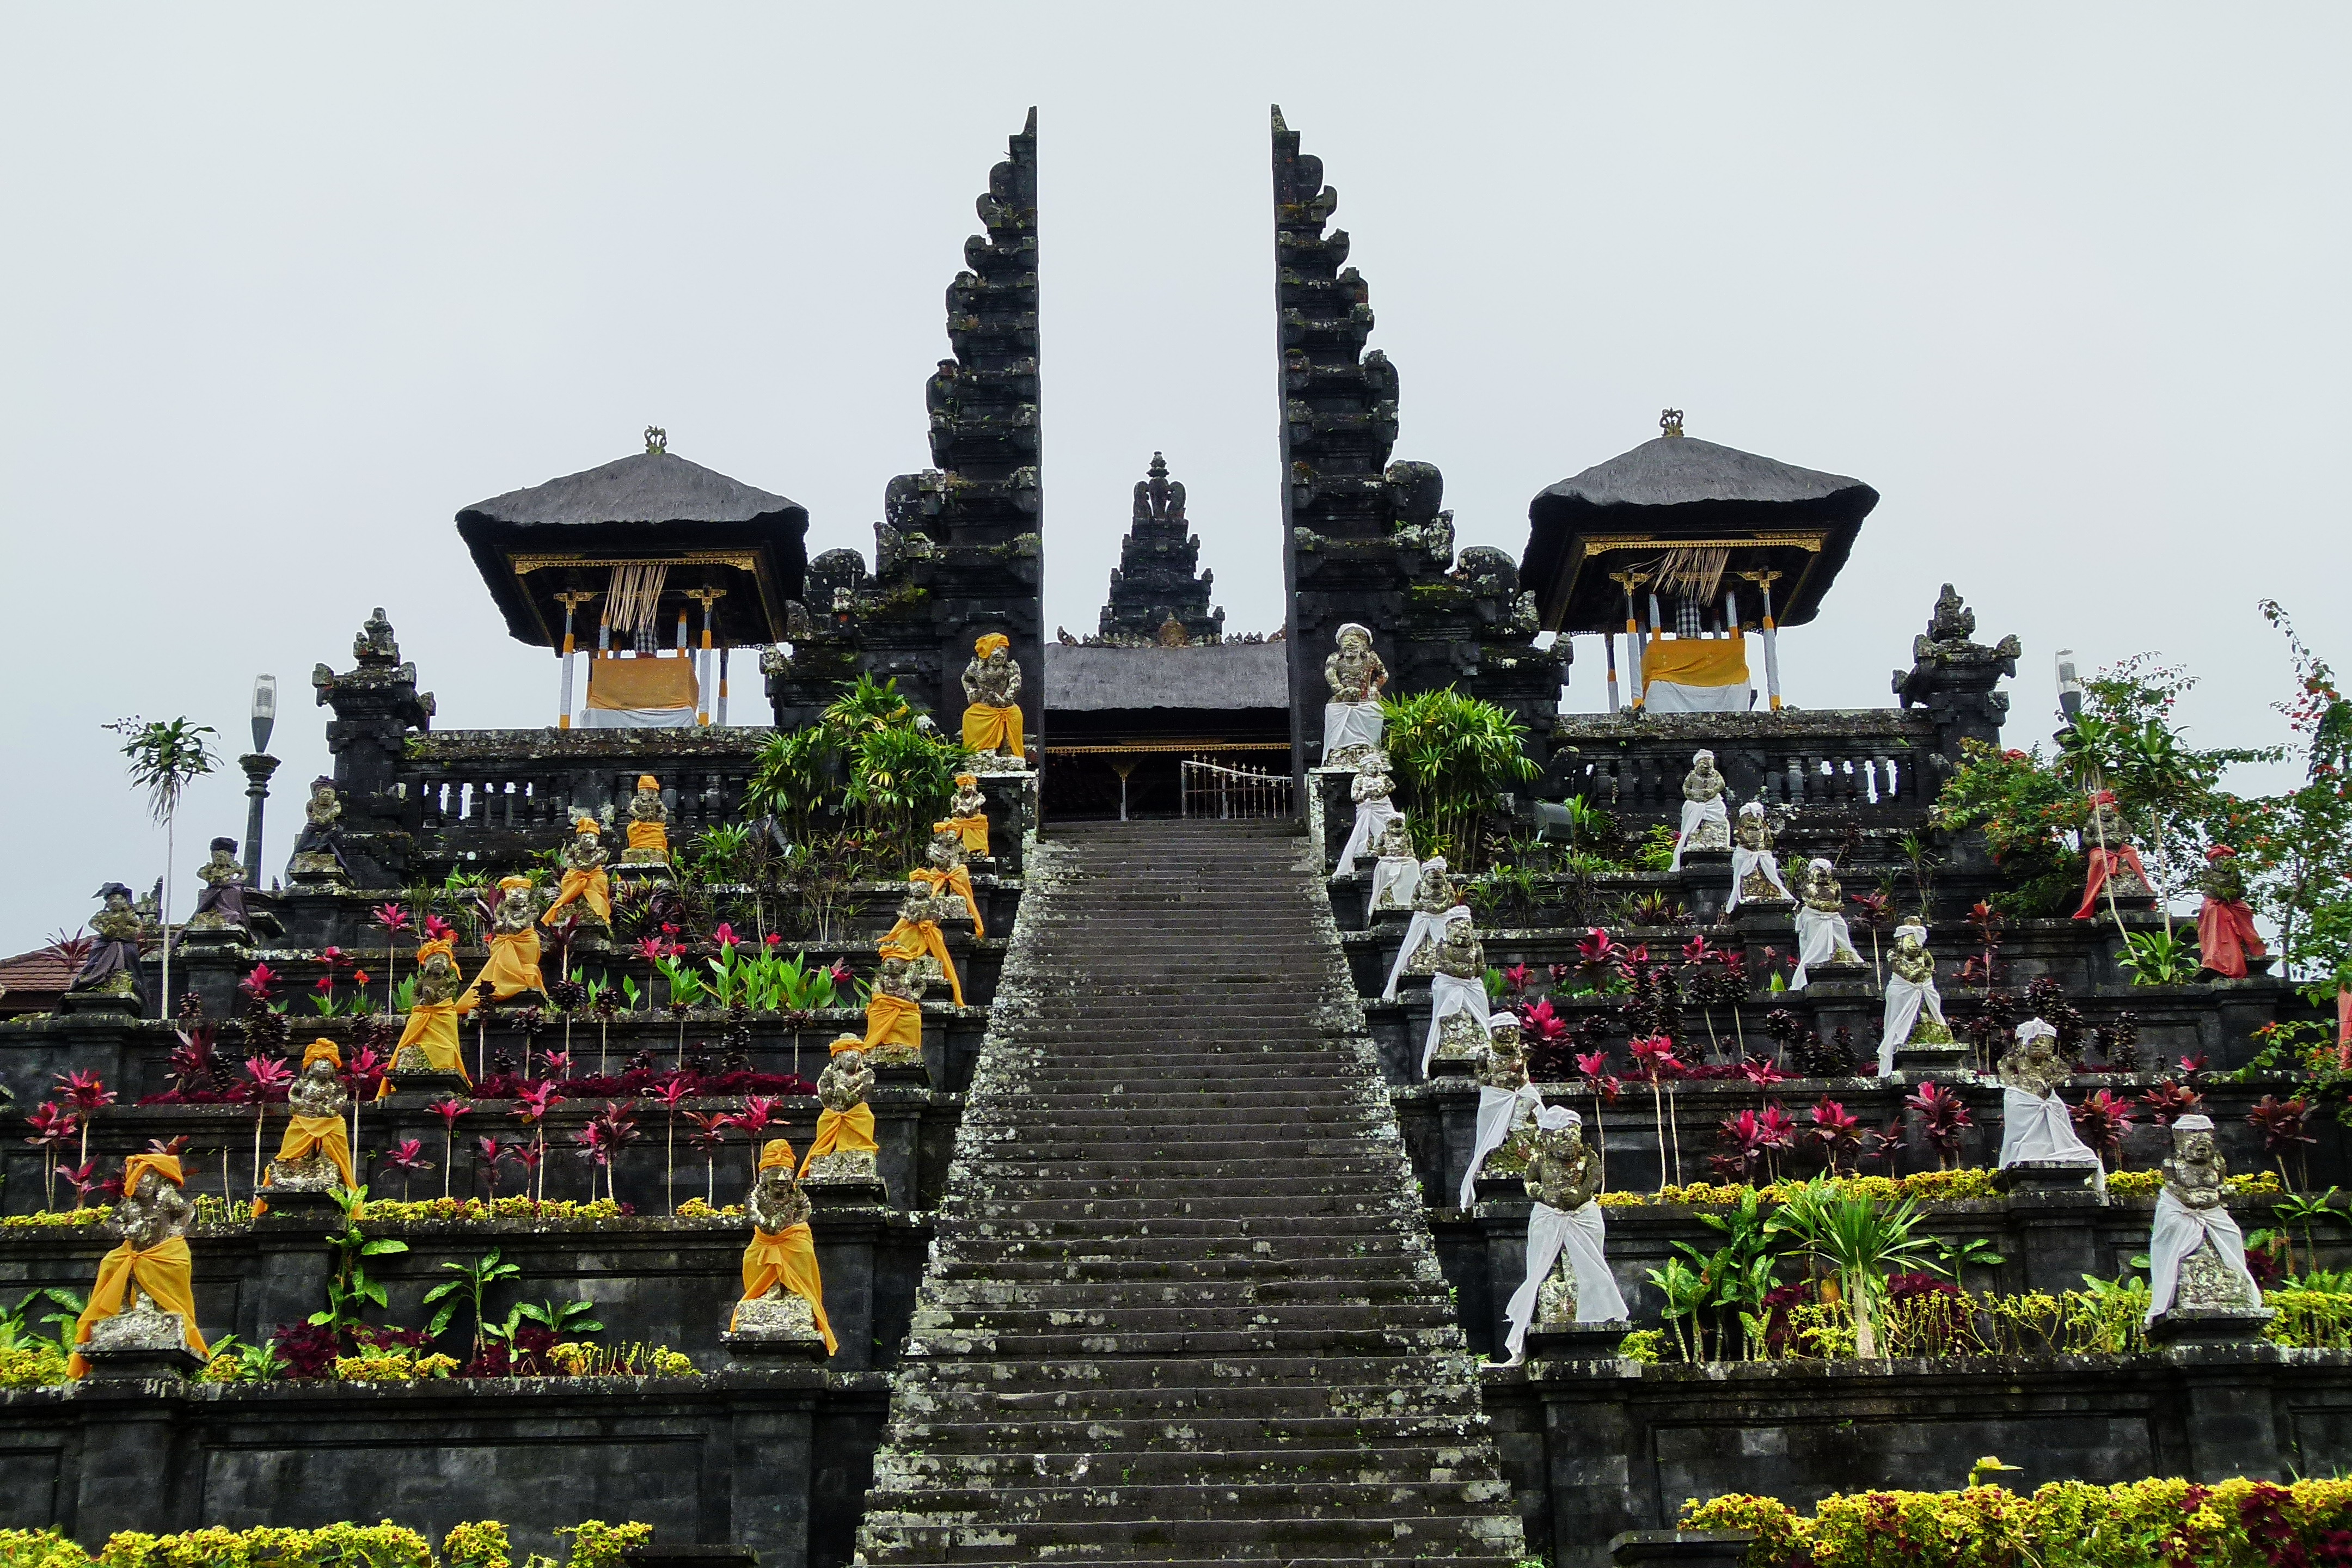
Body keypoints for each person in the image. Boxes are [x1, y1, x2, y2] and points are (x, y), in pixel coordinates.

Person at [1502, 1107, 1626, 1363]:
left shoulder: (1587, 1156)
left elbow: (1594, 1180)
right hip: (1548, 1215)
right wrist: (1544, 1195)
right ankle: (1553, 1285)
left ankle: (1596, 1307)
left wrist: (1580, 1195)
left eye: (1572, 1134)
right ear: (1547, 1138)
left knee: (1591, 1263)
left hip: (1583, 1215)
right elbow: (1529, 1184)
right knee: (1547, 1266)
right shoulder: (1540, 1159)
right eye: (1561, 1135)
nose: (1568, 1140)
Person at [68, 1152, 205, 1377]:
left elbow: (187, 1211)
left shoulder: (166, 1197)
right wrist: (124, 1230)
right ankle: (121, 1307)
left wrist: (175, 1231)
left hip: (162, 1250)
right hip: (132, 1249)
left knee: (147, 1269)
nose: (141, 1184)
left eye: (146, 1178)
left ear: (160, 1179)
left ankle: (147, 1306)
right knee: (112, 1263)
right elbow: (114, 1221)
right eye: (137, 1179)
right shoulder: (130, 1203)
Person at [733, 1138, 836, 1354]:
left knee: (804, 1253)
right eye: (775, 1175)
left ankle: (793, 1290)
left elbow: (805, 1209)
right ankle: (768, 1290)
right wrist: (766, 1224)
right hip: (765, 1238)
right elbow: (753, 1214)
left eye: (785, 1176)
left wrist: (796, 1222)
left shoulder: (796, 1194)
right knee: (751, 1259)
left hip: (792, 1236)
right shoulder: (757, 1194)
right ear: (764, 1176)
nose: (781, 1180)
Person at [1996, 1019, 2105, 1196]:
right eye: (2033, 1041)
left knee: (2057, 1109)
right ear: (2023, 1045)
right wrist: (2012, 1082)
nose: (2038, 1045)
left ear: (2051, 1046)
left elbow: (2066, 1071)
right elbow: (2003, 1065)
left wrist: (2051, 1082)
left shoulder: (2051, 1062)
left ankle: (2056, 1147)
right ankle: (2026, 1147)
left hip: (2047, 1097)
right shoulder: (2019, 1059)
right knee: (2015, 1105)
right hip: (2024, 1096)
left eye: (2043, 1041)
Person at [2195, 844, 2267, 979]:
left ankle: (2249, 947)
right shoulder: (2208, 875)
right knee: (2213, 912)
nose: (2224, 861)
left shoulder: (2235, 873)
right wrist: (2224, 895)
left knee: (2244, 912)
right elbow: (2213, 891)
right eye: (2221, 858)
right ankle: (2218, 955)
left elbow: (2241, 889)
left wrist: (2232, 894)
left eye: (2227, 858)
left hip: (2233, 902)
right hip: (2215, 903)